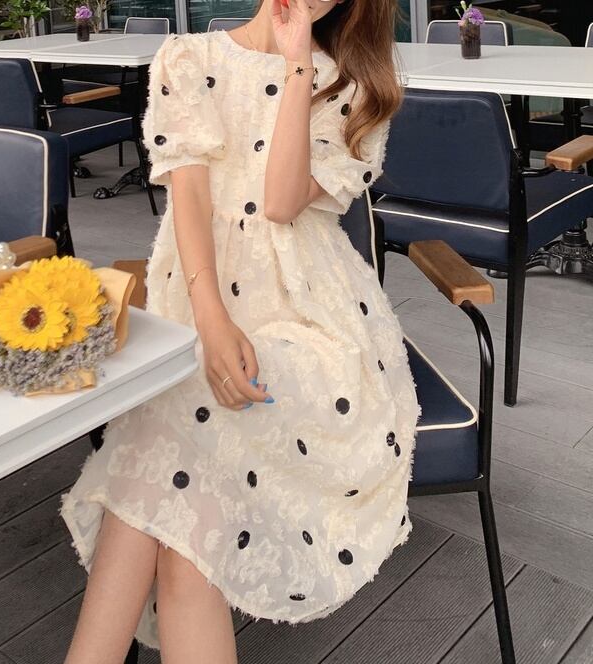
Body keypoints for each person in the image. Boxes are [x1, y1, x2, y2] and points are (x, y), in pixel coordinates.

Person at [60, 0, 421, 661]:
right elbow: (190, 198)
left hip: (311, 325)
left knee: (172, 434)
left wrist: (296, 67)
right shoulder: (187, 59)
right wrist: (213, 322)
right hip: (199, 307)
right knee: (184, 521)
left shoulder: (354, 87)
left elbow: (280, 203)